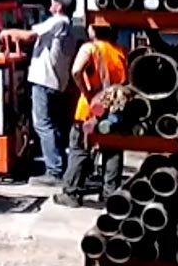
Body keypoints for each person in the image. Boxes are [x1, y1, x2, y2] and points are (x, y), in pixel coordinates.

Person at [0, 0, 79, 186]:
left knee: (42, 124)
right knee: (55, 126)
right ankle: (62, 167)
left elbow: (28, 36)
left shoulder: (58, 22)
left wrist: (6, 33)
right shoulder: (69, 27)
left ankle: (54, 171)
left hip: (45, 81)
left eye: (54, 1)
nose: (51, 3)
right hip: (56, 82)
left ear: (59, 7)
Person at [54, 25, 127, 207]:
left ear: (93, 30)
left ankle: (72, 193)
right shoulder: (119, 52)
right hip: (113, 109)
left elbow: (76, 70)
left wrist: (86, 92)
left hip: (90, 110)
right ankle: (110, 196)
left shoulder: (90, 48)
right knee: (112, 152)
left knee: (79, 148)